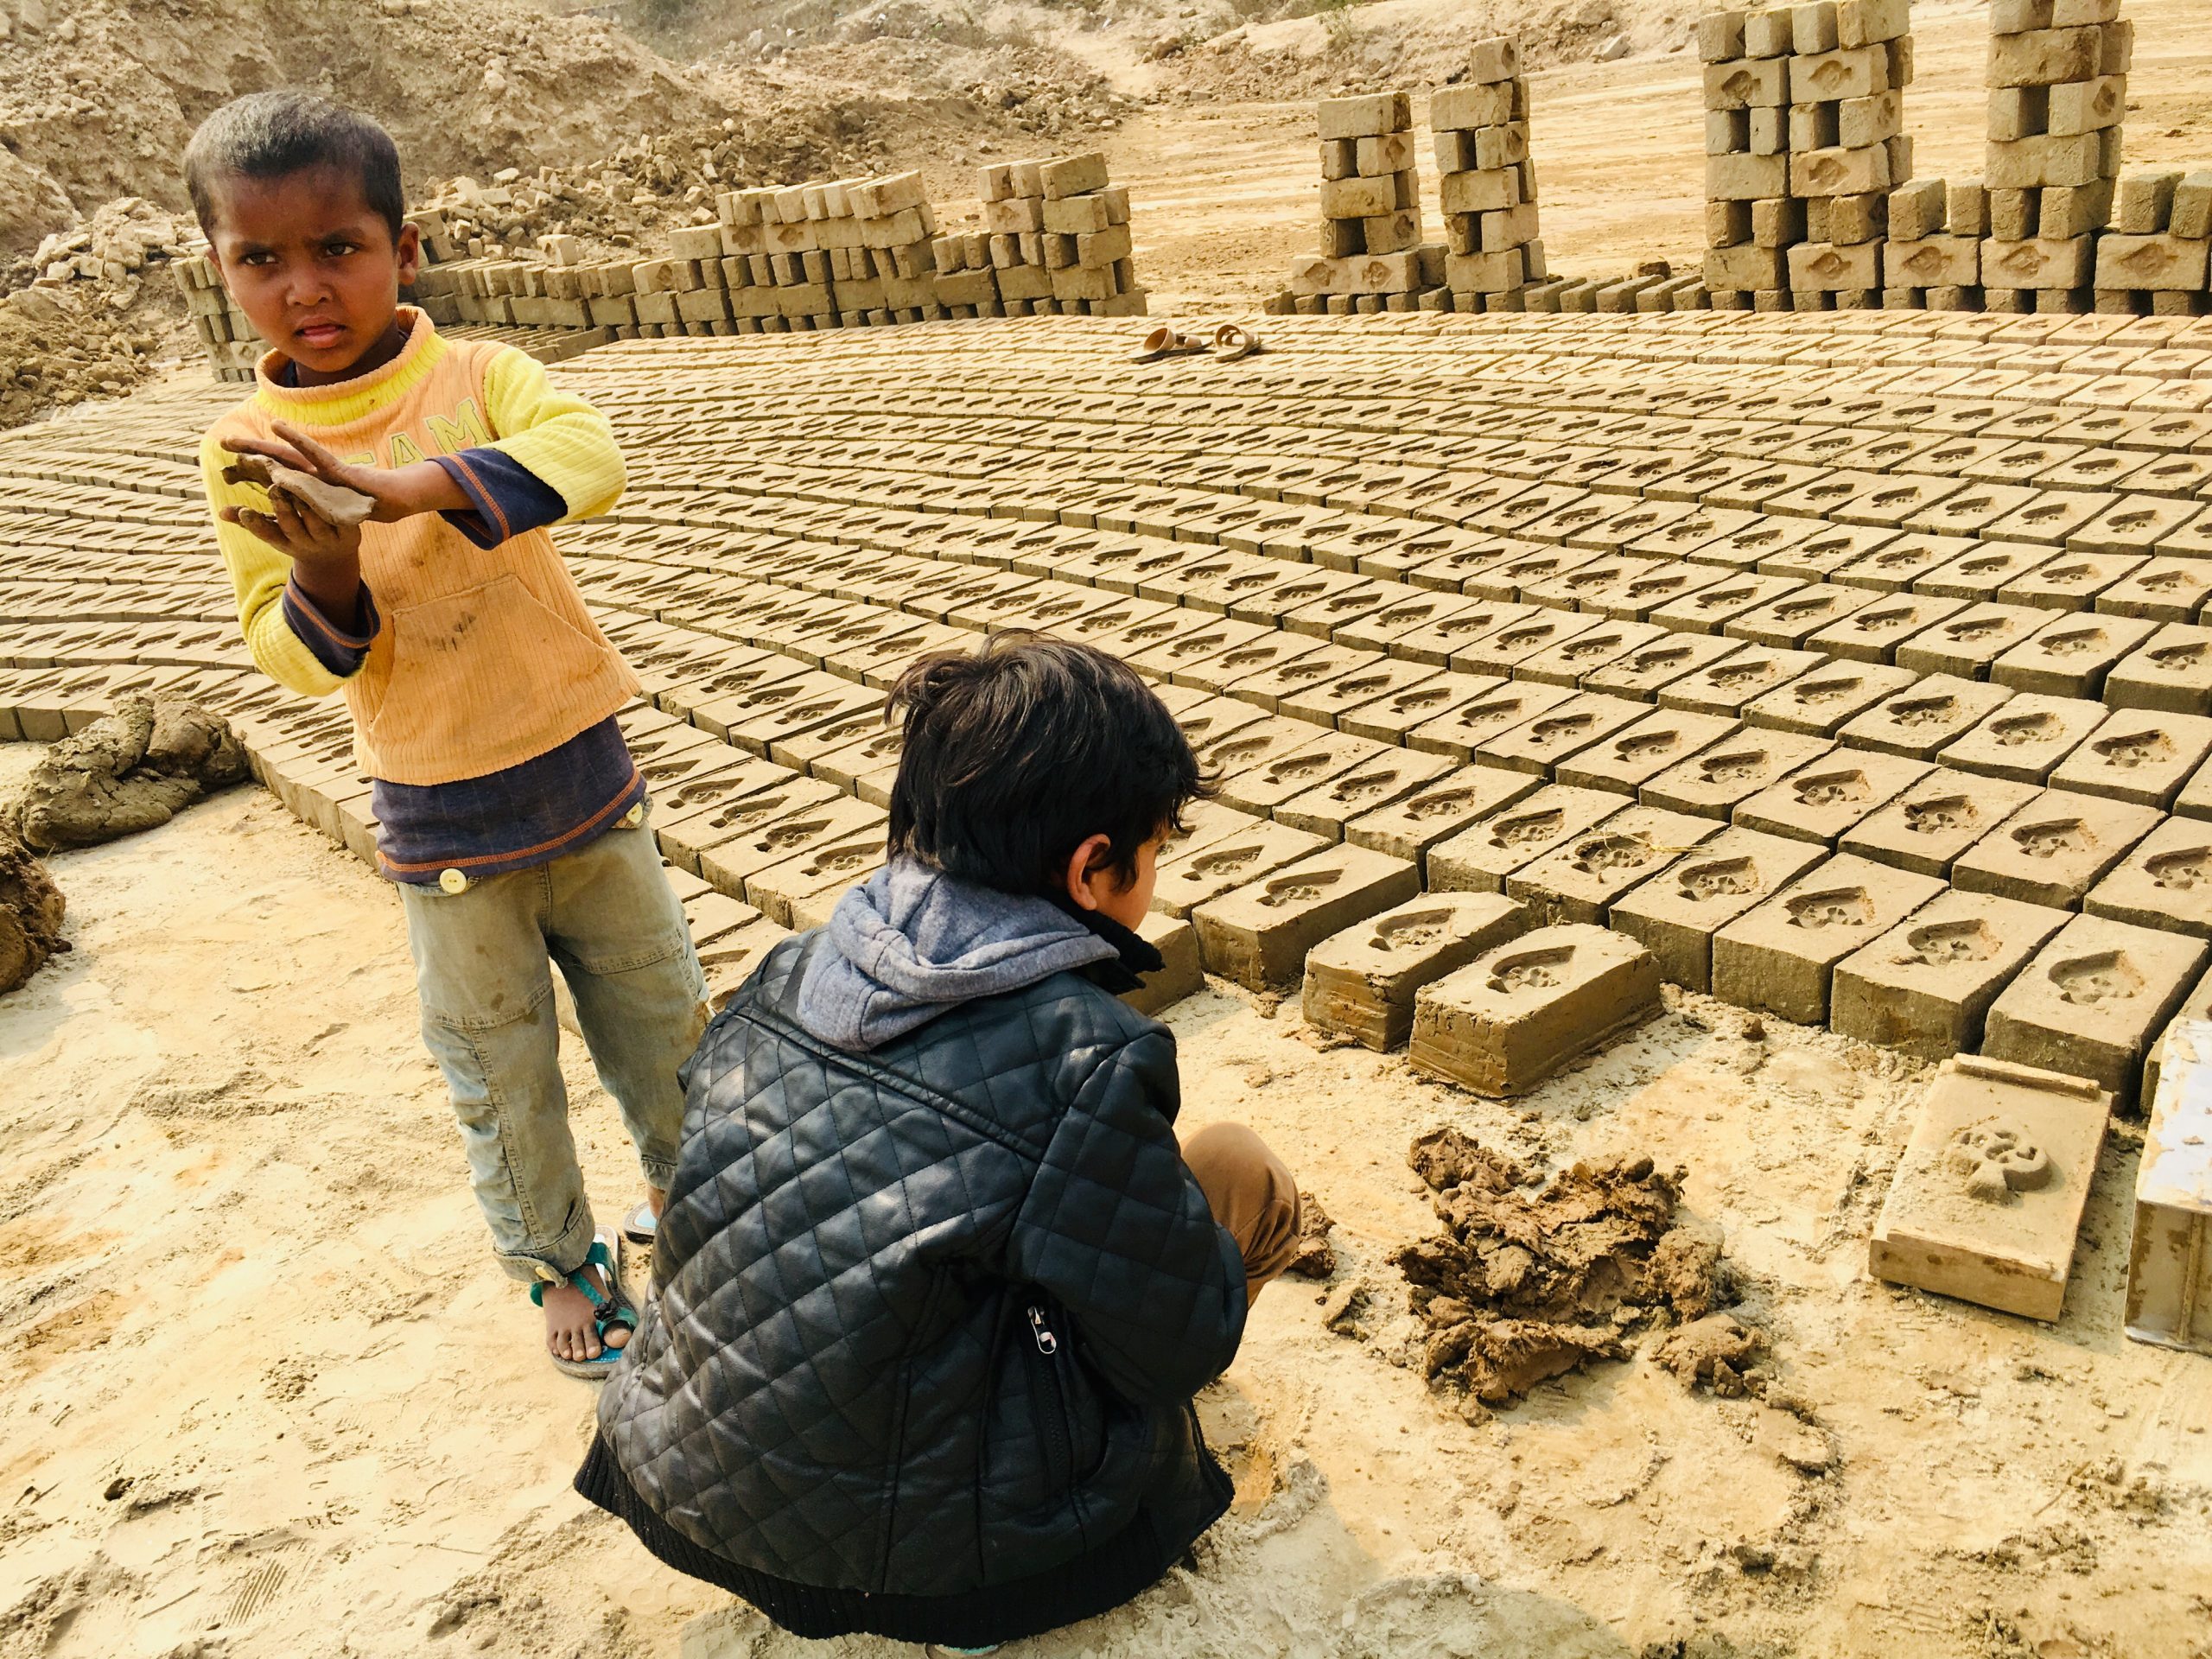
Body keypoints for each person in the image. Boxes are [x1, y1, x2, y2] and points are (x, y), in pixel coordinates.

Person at [580, 635, 1304, 1655]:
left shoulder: (788, 972)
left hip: (680, 1484)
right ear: (1094, 866)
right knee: (1236, 1170)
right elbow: (1173, 1346)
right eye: (1152, 853)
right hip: (939, 1571)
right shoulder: (1084, 1059)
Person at [187, 91, 709, 1379]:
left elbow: (590, 455)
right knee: (498, 1064)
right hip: (443, 826)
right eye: (262, 259)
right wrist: (328, 571)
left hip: (588, 781)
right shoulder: (246, 448)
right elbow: (285, 654)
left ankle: (704, 1212)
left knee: (668, 1025)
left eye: (339, 247)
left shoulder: (479, 378)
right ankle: (557, 1264)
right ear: (219, 269)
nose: (306, 285)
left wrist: (409, 486)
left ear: (404, 249)